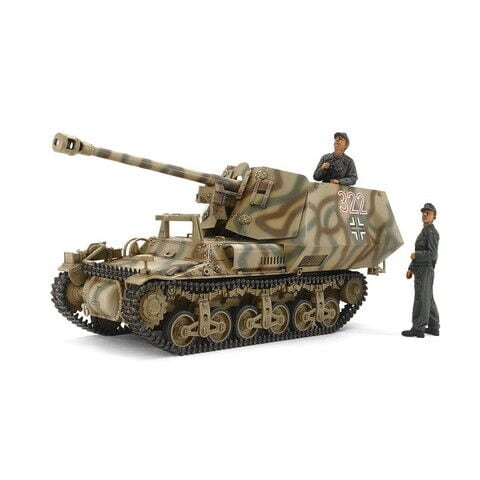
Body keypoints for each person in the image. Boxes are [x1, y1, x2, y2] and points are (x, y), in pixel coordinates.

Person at [402, 203, 440, 338]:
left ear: (434, 216)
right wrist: (411, 268)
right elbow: (419, 251)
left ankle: (418, 328)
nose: (424, 214)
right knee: (427, 297)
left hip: (425, 270)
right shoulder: (425, 231)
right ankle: (434, 327)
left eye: (428, 213)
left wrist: (417, 255)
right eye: (423, 212)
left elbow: (432, 254)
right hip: (420, 269)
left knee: (421, 299)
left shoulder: (431, 232)